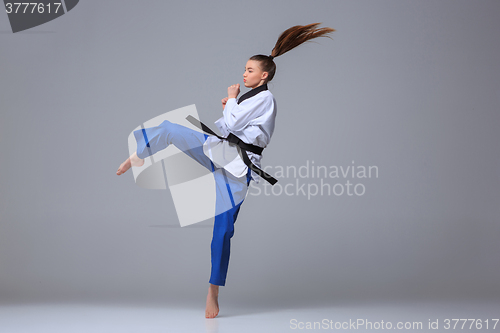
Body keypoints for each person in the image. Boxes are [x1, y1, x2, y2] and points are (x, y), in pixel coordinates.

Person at [116, 23, 335, 319]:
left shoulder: (265, 98)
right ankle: (139, 154)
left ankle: (213, 292)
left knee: (222, 231)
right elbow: (228, 127)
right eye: (244, 70)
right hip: (219, 151)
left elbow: (234, 125)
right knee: (170, 129)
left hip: (237, 169)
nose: (244, 74)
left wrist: (231, 99)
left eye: (249, 70)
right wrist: (231, 104)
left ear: (264, 75)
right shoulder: (252, 98)